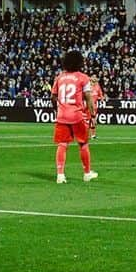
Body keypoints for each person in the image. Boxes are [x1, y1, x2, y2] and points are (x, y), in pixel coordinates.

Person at [51, 50, 97, 184]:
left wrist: (58, 109)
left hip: (62, 115)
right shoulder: (83, 78)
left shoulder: (59, 77)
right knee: (83, 143)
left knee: (62, 144)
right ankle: (87, 173)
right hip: (77, 115)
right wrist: (93, 115)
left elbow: (53, 97)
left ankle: (60, 175)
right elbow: (89, 98)